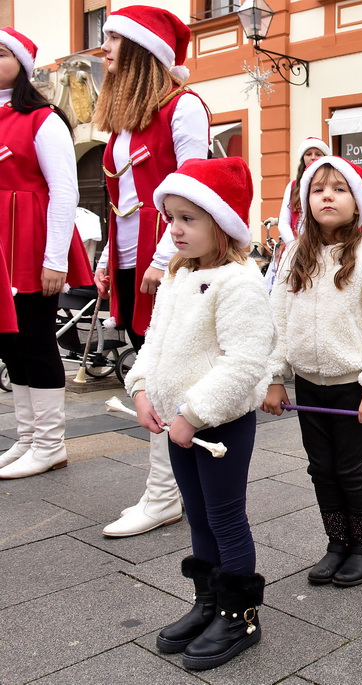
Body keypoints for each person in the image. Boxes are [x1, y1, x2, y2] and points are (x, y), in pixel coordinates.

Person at [126, 157, 272, 670]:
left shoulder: (239, 282)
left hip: (219, 424)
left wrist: (193, 412)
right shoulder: (178, 277)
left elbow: (246, 361)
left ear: (221, 222)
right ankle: (208, 601)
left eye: (190, 217)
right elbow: (154, 344)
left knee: (225, 515)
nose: (176, 229)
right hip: (178, 425)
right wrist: (142, 389)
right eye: (172, 217)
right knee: (198, 514)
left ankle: (240, 613)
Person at [92, 5, 211, 537]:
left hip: (163, 259)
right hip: (127, 259)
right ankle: (171, 489)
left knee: (164, 373)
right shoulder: (123, 121)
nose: (103, 48)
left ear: (142, 49)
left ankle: (165, 494)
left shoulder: (183, 107)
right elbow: (120, 200)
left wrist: (165, 259)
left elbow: (193, 188)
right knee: (150, 369)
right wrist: (104, 260)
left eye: (113, 38)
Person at [262, 156, 362, 587]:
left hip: (351, 386)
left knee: (351, 468)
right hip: (308, 383)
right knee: (320, 468)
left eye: (339, 188)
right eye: (318, 188)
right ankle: (337, 542)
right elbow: (279, 319)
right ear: (305, 201)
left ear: (357, 203)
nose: (328, 195)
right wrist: (275, 376)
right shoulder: (293, 257)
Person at [0, 27, 93, 479]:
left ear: (21, 63)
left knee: (35, 339)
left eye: (1, 54)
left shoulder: (43, 119)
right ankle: (27, 438)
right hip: (2, 245)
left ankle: (51, 443)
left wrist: (55, 258)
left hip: (31, 243)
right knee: (8, 342)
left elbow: (64, 190)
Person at [276, 137, 330, 245]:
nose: (313, 157)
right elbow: (283, 222)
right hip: (296, 245)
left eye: (318, 154)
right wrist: (293, 245)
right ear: (303, 158)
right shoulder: (292, 186)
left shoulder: (330, 185)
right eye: (308, 154)